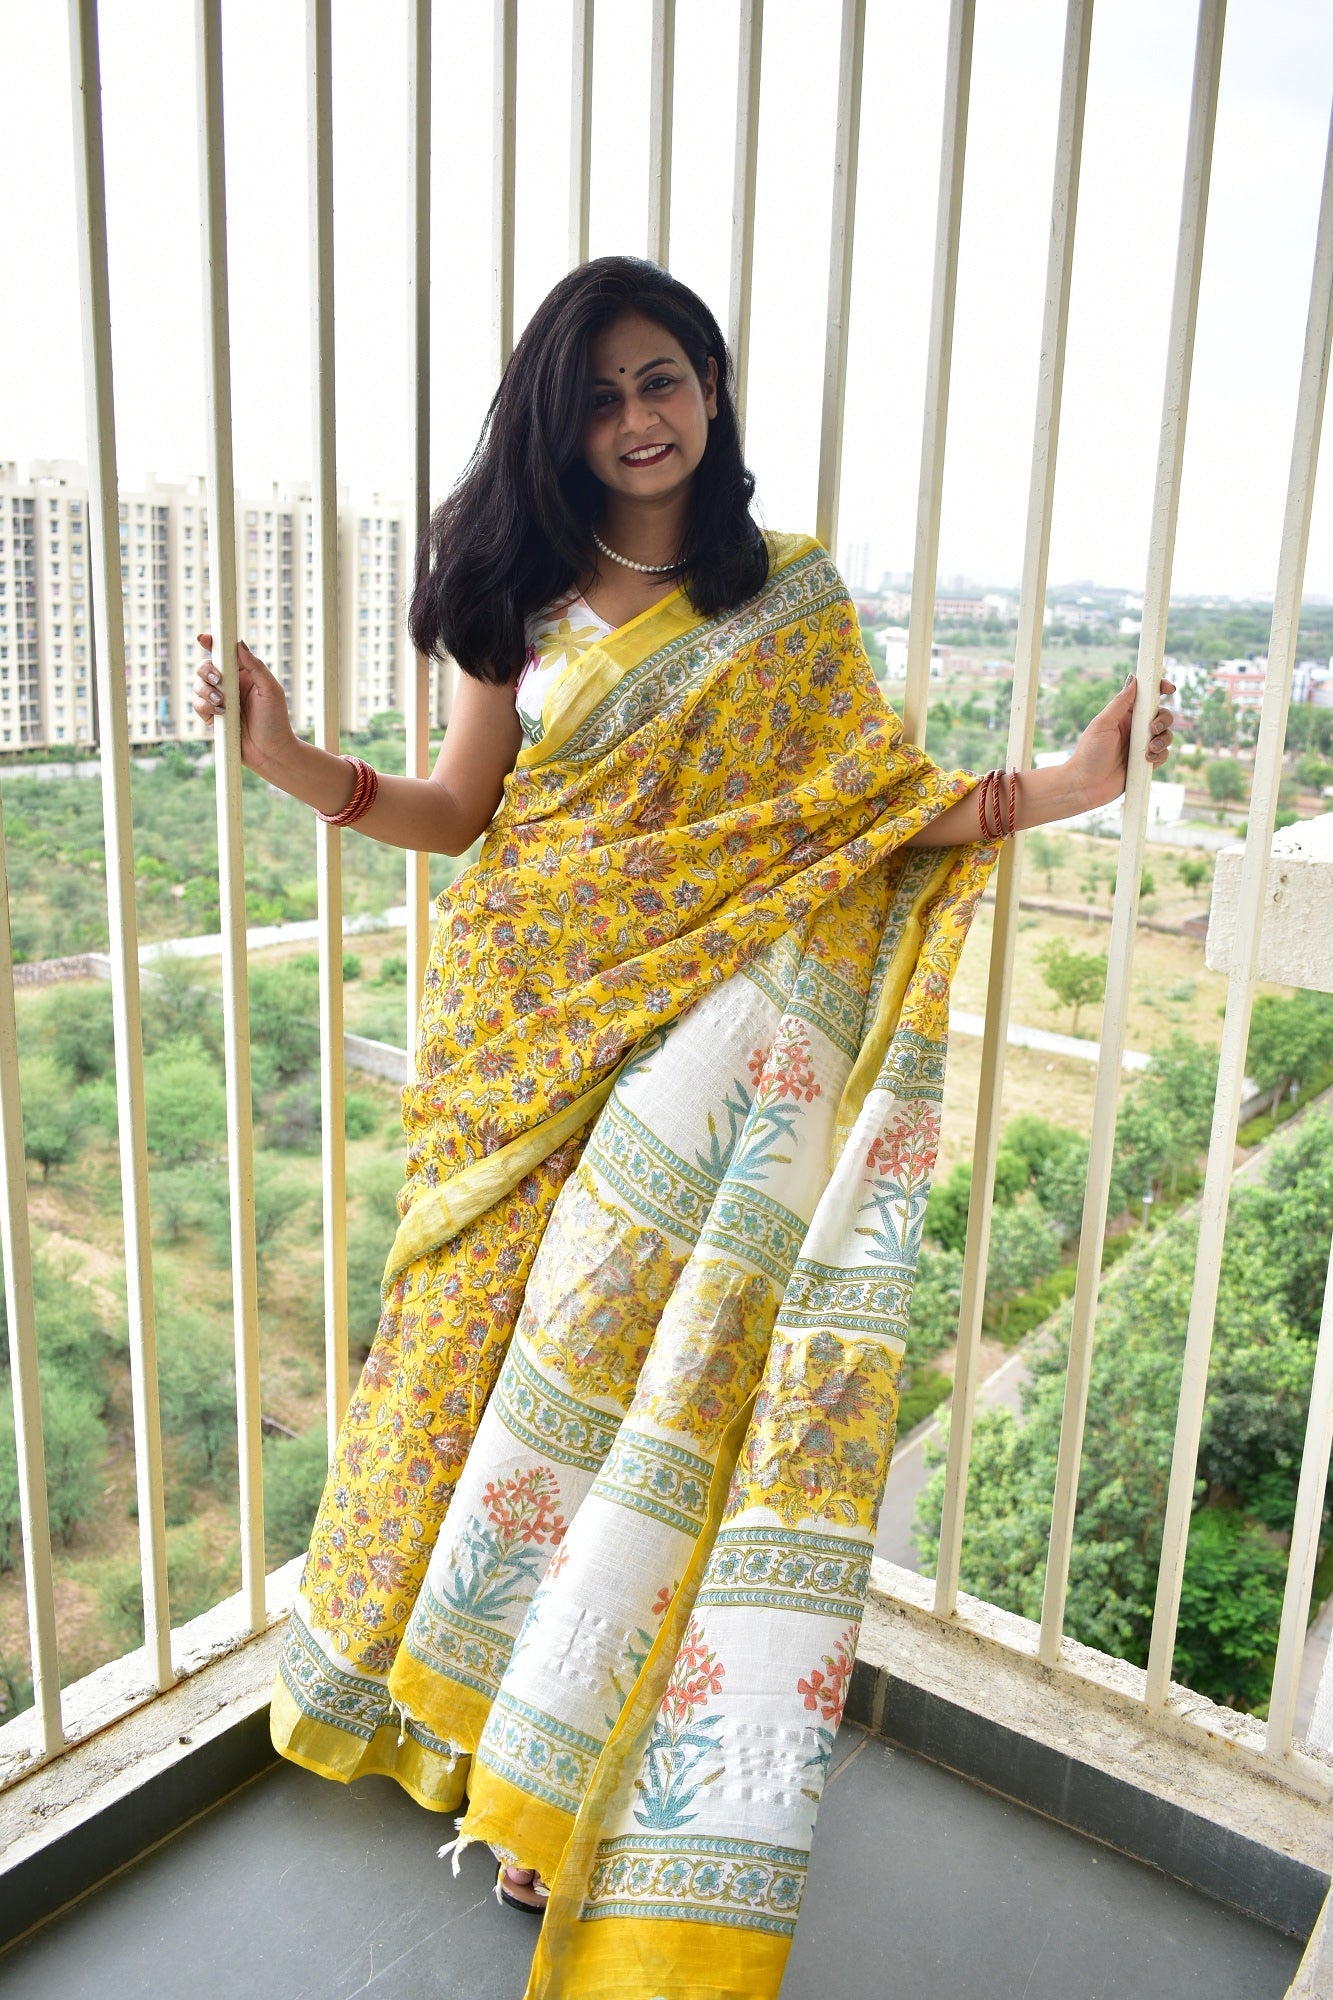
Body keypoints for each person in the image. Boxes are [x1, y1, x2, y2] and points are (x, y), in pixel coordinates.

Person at [193, 255, 1173, 2000]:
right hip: (528, 1042)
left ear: (710, 393)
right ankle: (461, 1721)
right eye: (601, 393)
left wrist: (1063, 790)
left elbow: (857, 816)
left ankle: (565, 1792)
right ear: (556, 421)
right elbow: (454, 811)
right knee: (483, 1389)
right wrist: (286, 760)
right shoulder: (514, 598)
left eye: (666, 380)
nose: (638, 417)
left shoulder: (783, 602)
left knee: (652, 1411)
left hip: (710, 1077)